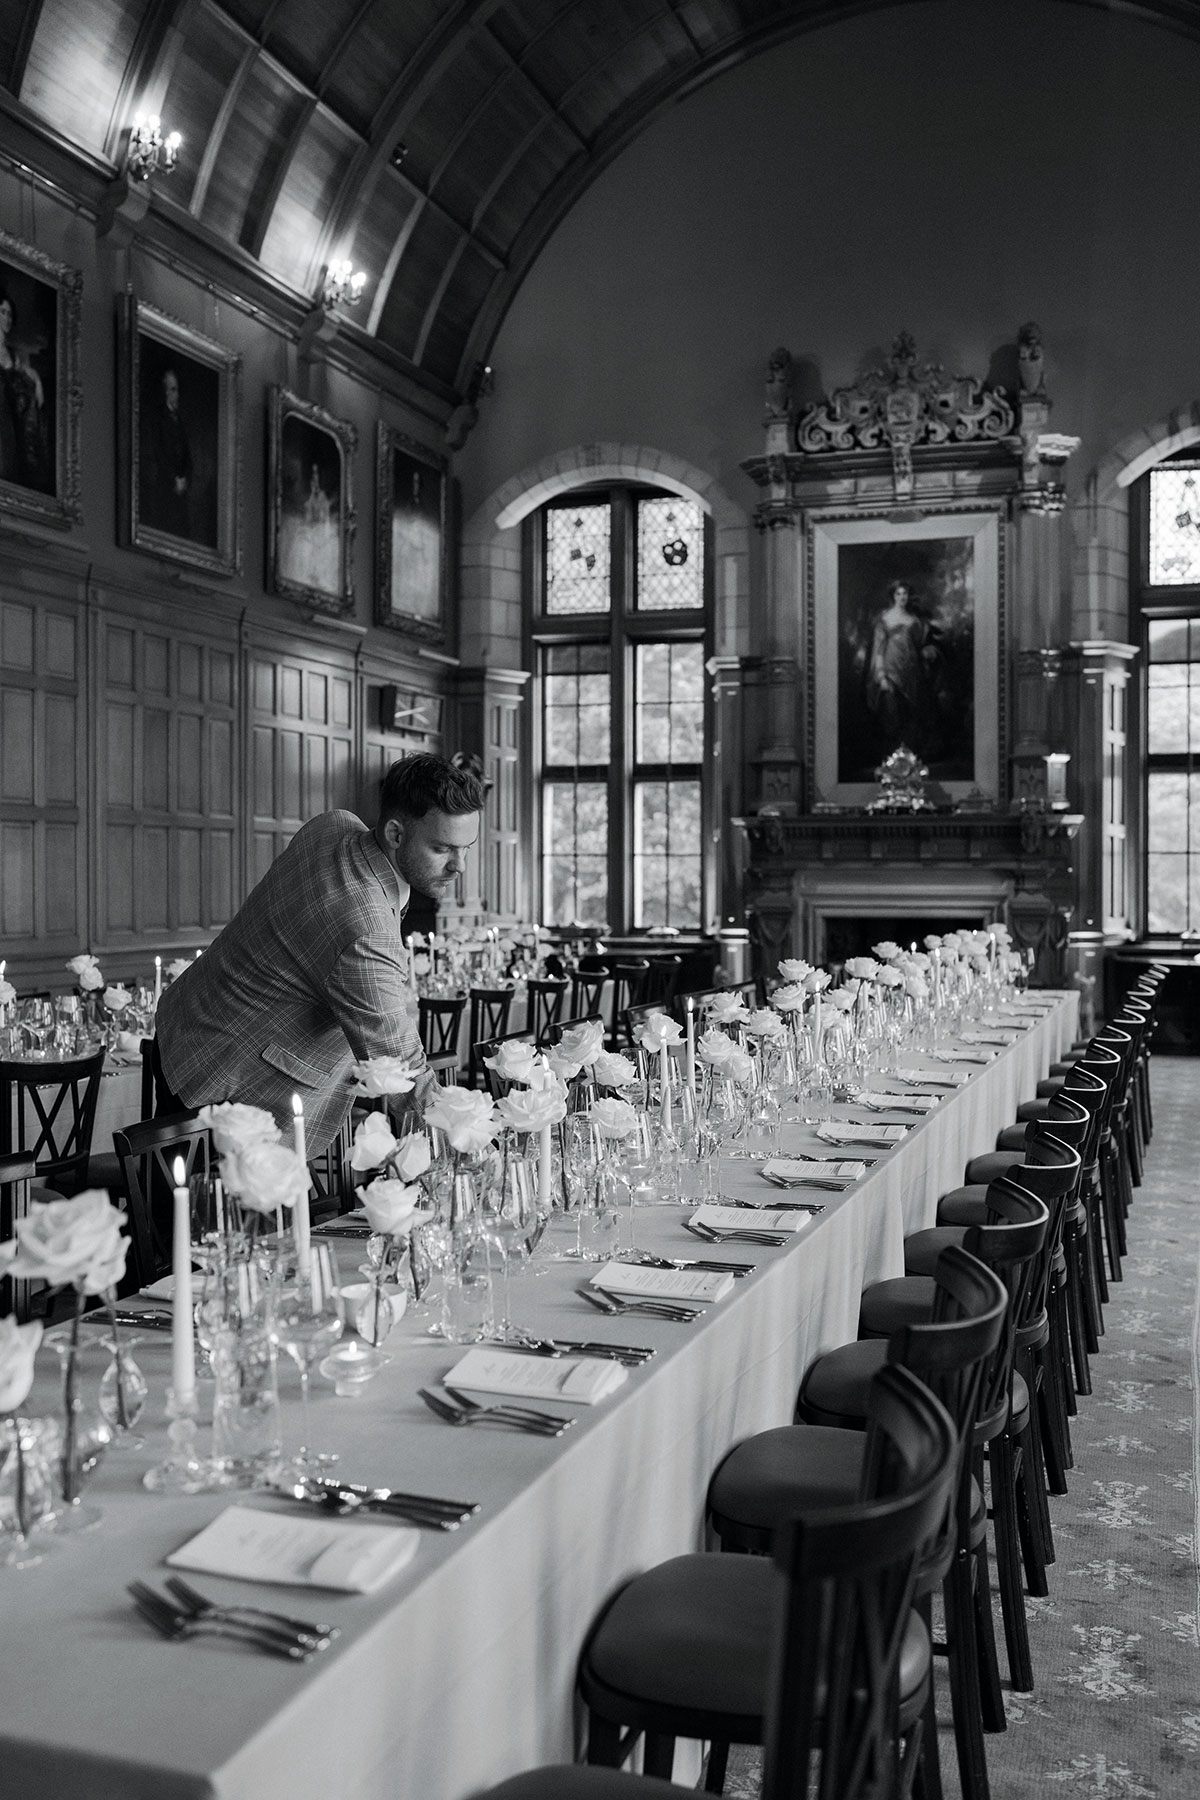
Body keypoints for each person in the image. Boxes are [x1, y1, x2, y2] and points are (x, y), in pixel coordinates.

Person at [154, 753, 484, 1157]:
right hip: (228, 1086)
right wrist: (474, 1145)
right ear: (395, 834)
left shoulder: (335, 824)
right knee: (204, 1200)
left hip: (185, 1024)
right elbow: (401, 1068)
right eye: (442, 848)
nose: (459, 866)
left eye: (467, 848)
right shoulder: (365, 933)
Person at [863, 579, 946, 761]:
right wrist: (881, 676)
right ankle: (893, 760)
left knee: (913, 714)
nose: (902, 597)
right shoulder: (884, 620)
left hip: (912, 673)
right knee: (892, 714)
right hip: (891, 673)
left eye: (905, 593)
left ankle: (910, 760)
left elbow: (921, 645)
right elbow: (878, 651)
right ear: (893, 596)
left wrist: (928, 651)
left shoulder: (914, 621)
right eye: (898, 593)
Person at [0, 287, 48, 492]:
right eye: (3, 312)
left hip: (11, 415)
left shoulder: (13, 354)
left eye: (10, 314)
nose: (7, 318)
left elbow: (25, 374)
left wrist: (37, 382)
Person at [140, 366, 194, 538]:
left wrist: (184, 478)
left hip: (181, 488)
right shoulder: (157, 418)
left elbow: (187, 454)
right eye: (170, 390)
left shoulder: (181, 420)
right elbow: (157, 453)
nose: (172, 395)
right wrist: (173, 478)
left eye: (175, 390)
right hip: (164, 486)